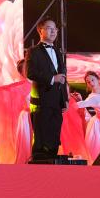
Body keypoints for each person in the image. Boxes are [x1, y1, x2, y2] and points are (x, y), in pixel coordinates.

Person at [27, 19, 67, 163]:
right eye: (49, 28)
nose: (53, 31)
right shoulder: (33, 51)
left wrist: (64, 99)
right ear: (40, 30)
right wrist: (51, 78)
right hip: (42, 100)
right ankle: (38, 167)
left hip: (56, 101)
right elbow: (30, 73)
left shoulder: (57, 51)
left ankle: (52, 166)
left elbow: (63, 77)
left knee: (54, 135)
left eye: (55, 29)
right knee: (41, 137)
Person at [71, 71, 100, 163]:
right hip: (99, 125)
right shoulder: (92, 97)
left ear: (98, 80)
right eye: (88, 82)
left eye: (92, 80)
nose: (91, 83)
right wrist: (69, 102)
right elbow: (80, 104)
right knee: (99, 148)